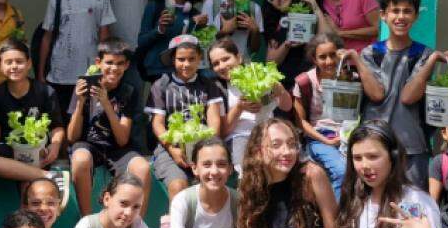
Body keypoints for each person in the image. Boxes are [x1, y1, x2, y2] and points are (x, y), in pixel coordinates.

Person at [361, 0, 442, 186]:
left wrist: (431, 61)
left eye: (407, 11)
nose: (401, 16)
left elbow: (408, 96)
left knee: (412, 201)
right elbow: (376, 94)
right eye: (395, 10)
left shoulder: (423, 54)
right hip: (374, 142)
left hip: (412, 144)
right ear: (383, 15)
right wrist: (356, 60)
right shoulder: (370, 53)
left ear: (415, 16)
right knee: (374, 200)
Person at [67, 39, 152, 217]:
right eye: (109, 63)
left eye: (120, 63)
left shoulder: (128, 91)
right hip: (88, 144)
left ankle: (137, 226)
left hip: (117, 148)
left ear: (127, 65)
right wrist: (80, 102)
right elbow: (72, 137)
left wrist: (105, 102)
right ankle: (87, 219)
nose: (114, 68)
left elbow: (122, 139)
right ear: (98, 63)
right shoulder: (84, 86)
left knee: (143, 168)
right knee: (80, 159)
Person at [291, 33, 381, 198]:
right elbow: (300, 122)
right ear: (314, 59)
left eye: (333, 55)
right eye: (322, 57)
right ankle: (339, 219)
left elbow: (376, 96)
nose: (329, 61)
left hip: (350, 137)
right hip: (319, 139)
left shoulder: (352, 77)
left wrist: (353, 58)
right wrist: (326, 140)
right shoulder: (305, 82)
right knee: (341, 171)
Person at [0, 39, 68, 190]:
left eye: (19, 61)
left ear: (29, 63)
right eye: (8, 62)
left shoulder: (45, 92)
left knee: (27, 185)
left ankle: (38, 176)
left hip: (38, 150)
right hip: (9, 150)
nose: (14, 66)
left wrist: (54, 148)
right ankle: (48, 177)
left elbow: (57, 127)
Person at [145, 34, 225, 201]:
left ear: (199, 59)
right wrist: (172, 149)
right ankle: (179, 227)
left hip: (204, 147)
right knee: (178, 187)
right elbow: (158, 124)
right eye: (181, 59)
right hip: (170, 149)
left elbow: (214, 122)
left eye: (191, 59)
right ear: (173, 59)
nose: (186, 64)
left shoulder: (209, 85)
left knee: (207, 188)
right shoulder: (161, 85)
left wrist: (204, 152)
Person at [39, 0, 117, 107]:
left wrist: (103, 70)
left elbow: (105, 36)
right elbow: (47, 37)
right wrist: (40, 73)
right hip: (60, 73)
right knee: (60, 122)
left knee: (86, 124)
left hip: (90, 73)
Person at [208, 37, 293, 173]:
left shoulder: (259, 74)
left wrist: (280, 91)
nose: (222, 66)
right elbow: (223, 132)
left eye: (226, 59)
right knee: (248, 169)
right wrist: (239, 108)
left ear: (239, 58)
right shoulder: (216, 88)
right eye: (216, 63)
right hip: (239, 136)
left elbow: (287, 106)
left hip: (269, 133)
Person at [136, 0, 207, 80]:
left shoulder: (194, 13)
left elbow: (200, 48)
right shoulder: (155, 6)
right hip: (159, 71)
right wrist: (159, 29)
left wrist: (202, 28)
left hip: (185, 70)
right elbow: (141, 41)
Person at [262, 0, 335, 89]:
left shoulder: (308, 12)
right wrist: (286, 44)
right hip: (286, 82)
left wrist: (315, 7)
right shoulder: (274, 23)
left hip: (311, 79)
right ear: (270, 3)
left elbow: (327, 38)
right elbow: (270, 62)